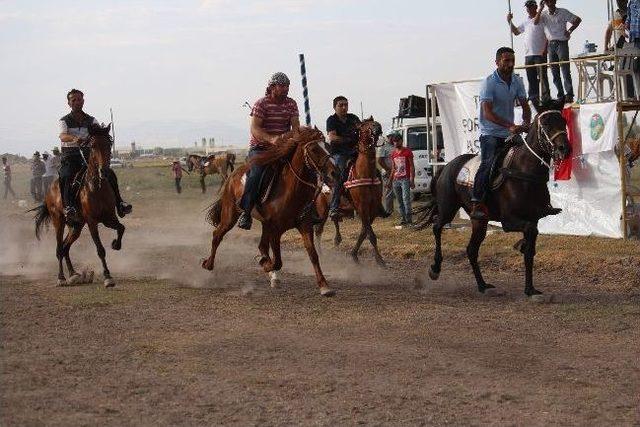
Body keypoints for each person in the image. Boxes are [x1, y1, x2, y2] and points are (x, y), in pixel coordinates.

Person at [472, 47, 532, 220]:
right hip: (490, 133)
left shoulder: (517, 81)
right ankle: (477, 202)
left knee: (528, 158)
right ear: (497, 62)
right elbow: (487, 113)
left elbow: (525, 105)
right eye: (506, 61)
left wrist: (526, 123)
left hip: (509, 132)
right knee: (488, 163)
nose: (510, 64)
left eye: (512, 60)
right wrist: (510, 125)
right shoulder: (489, 83)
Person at [237, 72, 301, 230]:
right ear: (272, 87)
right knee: (257, 173)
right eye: (282, 86)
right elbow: (255, 129)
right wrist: (271, 139)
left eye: (287, 86)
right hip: (261, 148)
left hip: (283, 147)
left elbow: (296, 127)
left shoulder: (291, 104)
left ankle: (308, 208)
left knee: (305, 166)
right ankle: (246, 211)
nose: (286, 89)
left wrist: (296, 139)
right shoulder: (261, 104)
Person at [58, 89, 131, 223]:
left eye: (79, 99)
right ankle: (68, 207)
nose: (76, 102)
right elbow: (62, 136)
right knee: (66, 175)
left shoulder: (92, 120)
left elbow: (98, 133)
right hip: (70, 156)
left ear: (83, 101)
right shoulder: (64, 120)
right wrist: (74, 138)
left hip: (88, 156)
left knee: (109, 173)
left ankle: (120, 204)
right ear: (69, 103)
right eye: (73, 100)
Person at [534, 0, 582, 104]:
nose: (549, 2)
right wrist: (540, 8)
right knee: (554, 71)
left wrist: (569, 30)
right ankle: (560, 95)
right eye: (547, 0)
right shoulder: (543, 14)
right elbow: (535, 22)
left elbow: (577, 20)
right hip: (551, 44)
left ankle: (569, 95)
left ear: (555, 1)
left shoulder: (563, 12)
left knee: (565, 69)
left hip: (562, 43)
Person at [508, 0, 550, 103]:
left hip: (539, 53)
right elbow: (516, 32)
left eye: (530, 7)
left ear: (535, 7)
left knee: (543, 77)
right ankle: (533, 97)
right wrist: (509, 21)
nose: (528, 9)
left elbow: (540, 26)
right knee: (531, 78)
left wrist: (545, 49)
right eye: (527, 7)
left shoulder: (542, 18)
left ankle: (546, 97)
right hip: (528, 54)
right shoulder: (526, 22)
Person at [326, 95, 361, 219]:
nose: (344, 107)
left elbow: (361, 129)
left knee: (373, 169)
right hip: (339, 153)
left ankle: (377, 203)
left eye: (346, 104)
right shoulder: (331, 120)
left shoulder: (353, 118)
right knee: (339, 176)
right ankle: (334, 207)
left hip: (355, 151)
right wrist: (348, 139)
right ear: (334, 107)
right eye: (341, 105)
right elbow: (333, 137)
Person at [389, 133, 415, 226]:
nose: (395, 143)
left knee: (406, 199)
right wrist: (389, 180)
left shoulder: (407, 152)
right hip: (396, 180)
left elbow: (412, 166)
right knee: (399, 201)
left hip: (405, 179)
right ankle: (403, 218)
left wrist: (412, 179)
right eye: (394, 141)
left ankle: (409, 220)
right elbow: (393, 168)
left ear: (401, 141)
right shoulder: (393, 154)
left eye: (397, 141)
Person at [377, 133, 396, 214]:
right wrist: (387, 169)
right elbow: (380, 161)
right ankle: (388, 211)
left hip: (396, 172)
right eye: (392, 137)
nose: (393, 139)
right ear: (388, 137)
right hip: (387, 172)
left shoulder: (394, 146)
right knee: (389, 191)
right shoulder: (383, 147)